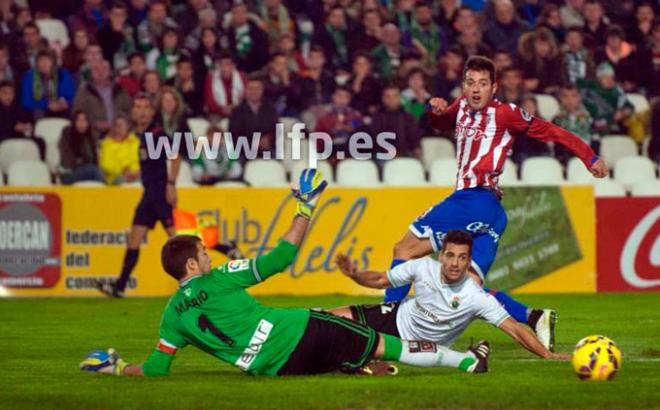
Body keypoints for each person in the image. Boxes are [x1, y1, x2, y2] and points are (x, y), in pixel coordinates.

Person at [81, 170, 491, 377]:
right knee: (386, 344)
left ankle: (357, 363)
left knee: (344, 340)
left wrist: (119, 368)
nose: (210, 253)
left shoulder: (173, 315)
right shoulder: (220, 277)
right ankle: (463, 362)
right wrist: (304, 207)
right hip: (299, 332)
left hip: (276, 368)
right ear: (192, 265)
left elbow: (156, 369)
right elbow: (279, 258)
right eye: (203, 251)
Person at [382, 56, 610, 351]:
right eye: (470, 83)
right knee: (467, 287)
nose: (475, 90)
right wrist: (434, 110)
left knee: (403, 250)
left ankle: (384, 322)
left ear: (494, 87)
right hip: (491, 214)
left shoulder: (506, 114)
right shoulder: (461, 106)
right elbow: (441, 123)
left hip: (473, 198)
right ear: (463, 86)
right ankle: (532, 316)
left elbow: (550, 131)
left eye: (482, 84)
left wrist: (589, 156)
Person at [331, 230, 569, 361]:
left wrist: (548, 355)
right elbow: (381, 279)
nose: (455, 263)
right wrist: (355, 275)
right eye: (451, 255)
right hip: (393, 317)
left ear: (469, 261)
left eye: (462, 257)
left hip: (422, 347)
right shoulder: (422, 267)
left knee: (351, 348)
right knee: (328, 319)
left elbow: (515, 329)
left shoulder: (476, 297)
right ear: (441, 256)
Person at [98, 94, 182, 298]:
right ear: (133, 111)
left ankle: (210, 267)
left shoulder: (157, 133)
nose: (142, 111)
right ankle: (119, 287)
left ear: (152, 112)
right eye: (137, 106)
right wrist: (136, 174)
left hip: (160, 195)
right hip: (148, 196)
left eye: (146, 107)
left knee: (179, 241)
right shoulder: (141, 135)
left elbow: (176, 156)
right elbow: (151, 164)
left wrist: (171, 184)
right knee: (134, 239)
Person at [72, 60, 132, 140]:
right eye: (96, 69)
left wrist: (119, 124)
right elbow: (76, 114)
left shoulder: (120, 91)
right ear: (91, 73)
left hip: (120, 136)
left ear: (110, 72)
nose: (100, 72)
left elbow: (130, 112)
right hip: (92, 136)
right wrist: (93, 123)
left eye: (104, 69)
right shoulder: (83, 92)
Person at [20, 49, 75, 119]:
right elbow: (26, 101)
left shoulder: (63, 74)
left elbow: (72, 96)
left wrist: (65, 103)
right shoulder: (29, 76)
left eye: (47, 60)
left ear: (53, 62)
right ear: (36, 63)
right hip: (39, 110)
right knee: (38, 111)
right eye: (41, 61)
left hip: (61, 109)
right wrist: (47, 104)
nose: (44, 64)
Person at [58, 111, 105, 185]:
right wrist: (84, 161)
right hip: (69, 173)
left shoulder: (90, 136)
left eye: (84, 120)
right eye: (79, 120)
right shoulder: (67, 134)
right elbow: (67, 161)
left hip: (88, 170)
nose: (82, 123)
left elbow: (95, 160)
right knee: (96, 171)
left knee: (100, 172)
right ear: (74, 122)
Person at [99, 115, 140, 185]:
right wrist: (124, 172)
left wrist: (135, 172)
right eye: (116, 126)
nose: (118, 129)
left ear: (127, 127)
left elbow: (143, 161)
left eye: (121, 126)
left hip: (136, 175)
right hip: (116, 178)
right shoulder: (107, 144)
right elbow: (106, 165)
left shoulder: (136, 142)